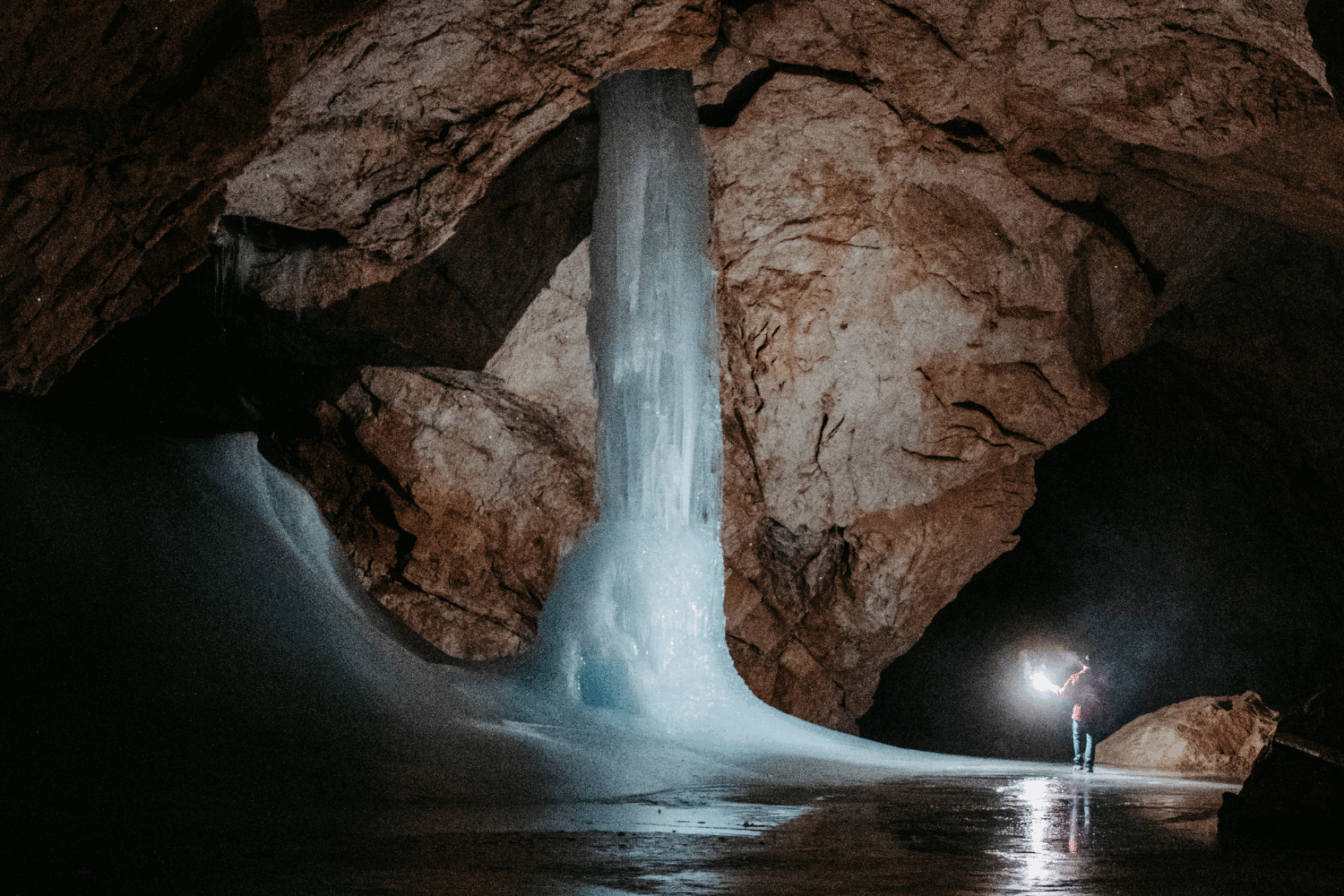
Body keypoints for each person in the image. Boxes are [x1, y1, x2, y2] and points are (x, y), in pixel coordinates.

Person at [1056, 659, 1098, 772]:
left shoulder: (1075, 677)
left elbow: (1064, 692)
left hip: (1078, 712)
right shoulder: (1097, 678)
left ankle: (1078, 763)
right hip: (1093, 712)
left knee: (1077, 738)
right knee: (1091, 738)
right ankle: (1089, 766)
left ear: (1082, 664)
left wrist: (1057, 690)